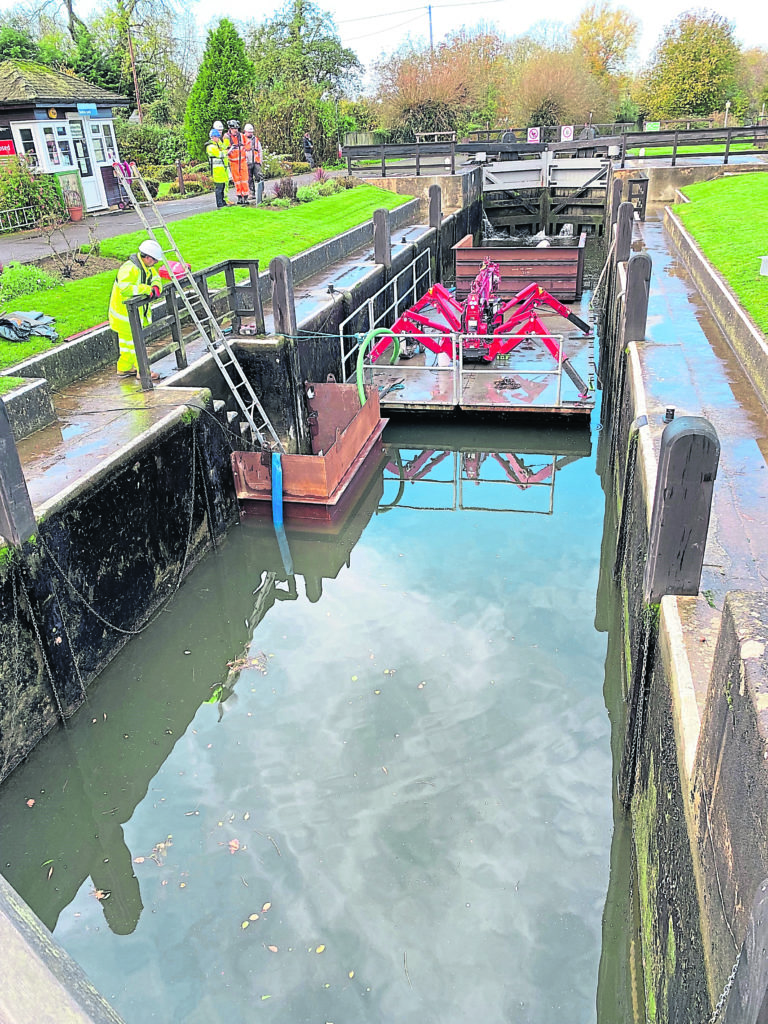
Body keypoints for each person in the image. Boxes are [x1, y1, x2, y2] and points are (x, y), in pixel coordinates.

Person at [109, 239, 164, 379]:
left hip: (129, 314)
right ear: (147, 258)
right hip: (124, 314)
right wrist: (147, 289)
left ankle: (124, 368)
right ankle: (143, 372)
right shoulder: (129, 268)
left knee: (127, 344)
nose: (156, 264)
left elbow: (156, 277)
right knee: (136, 343)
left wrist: (156, 287)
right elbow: (125, 288)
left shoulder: (147, 267)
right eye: (155, 260)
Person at [226, 119, 250, 205]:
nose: (235, 130)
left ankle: (246, 197)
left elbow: (248, 145)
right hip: (233, 162)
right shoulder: (227, 137)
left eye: (236, 128)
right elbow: (225, 149)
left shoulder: (242, 136)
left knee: (244, 179)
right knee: (237, 180)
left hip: (242, 161)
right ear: (230, 128)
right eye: (234, 129)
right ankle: (239, 196)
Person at [206, 128, 229, 209]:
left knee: (222, 186)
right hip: (216, 171)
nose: (218, 139)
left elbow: (223, 148)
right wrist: (226, 152)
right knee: (219, 188)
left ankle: (222, 202)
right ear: (213, 137)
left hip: (220, 169)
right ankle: (219, 203)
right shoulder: (211, 146)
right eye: (217, 137)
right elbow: (220, 154)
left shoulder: (216, 145)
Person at [243, 123, 263, 200]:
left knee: (259, 176)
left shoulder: (256, 140)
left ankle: (261, 192)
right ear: (245, 131)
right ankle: (251, 193)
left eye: (251, 132)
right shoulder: (242, 139)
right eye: (249, 132)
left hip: (256, 162)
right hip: (247, 162)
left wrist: (260, 161)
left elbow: (260, 150)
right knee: (249, 179)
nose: (250, 133)